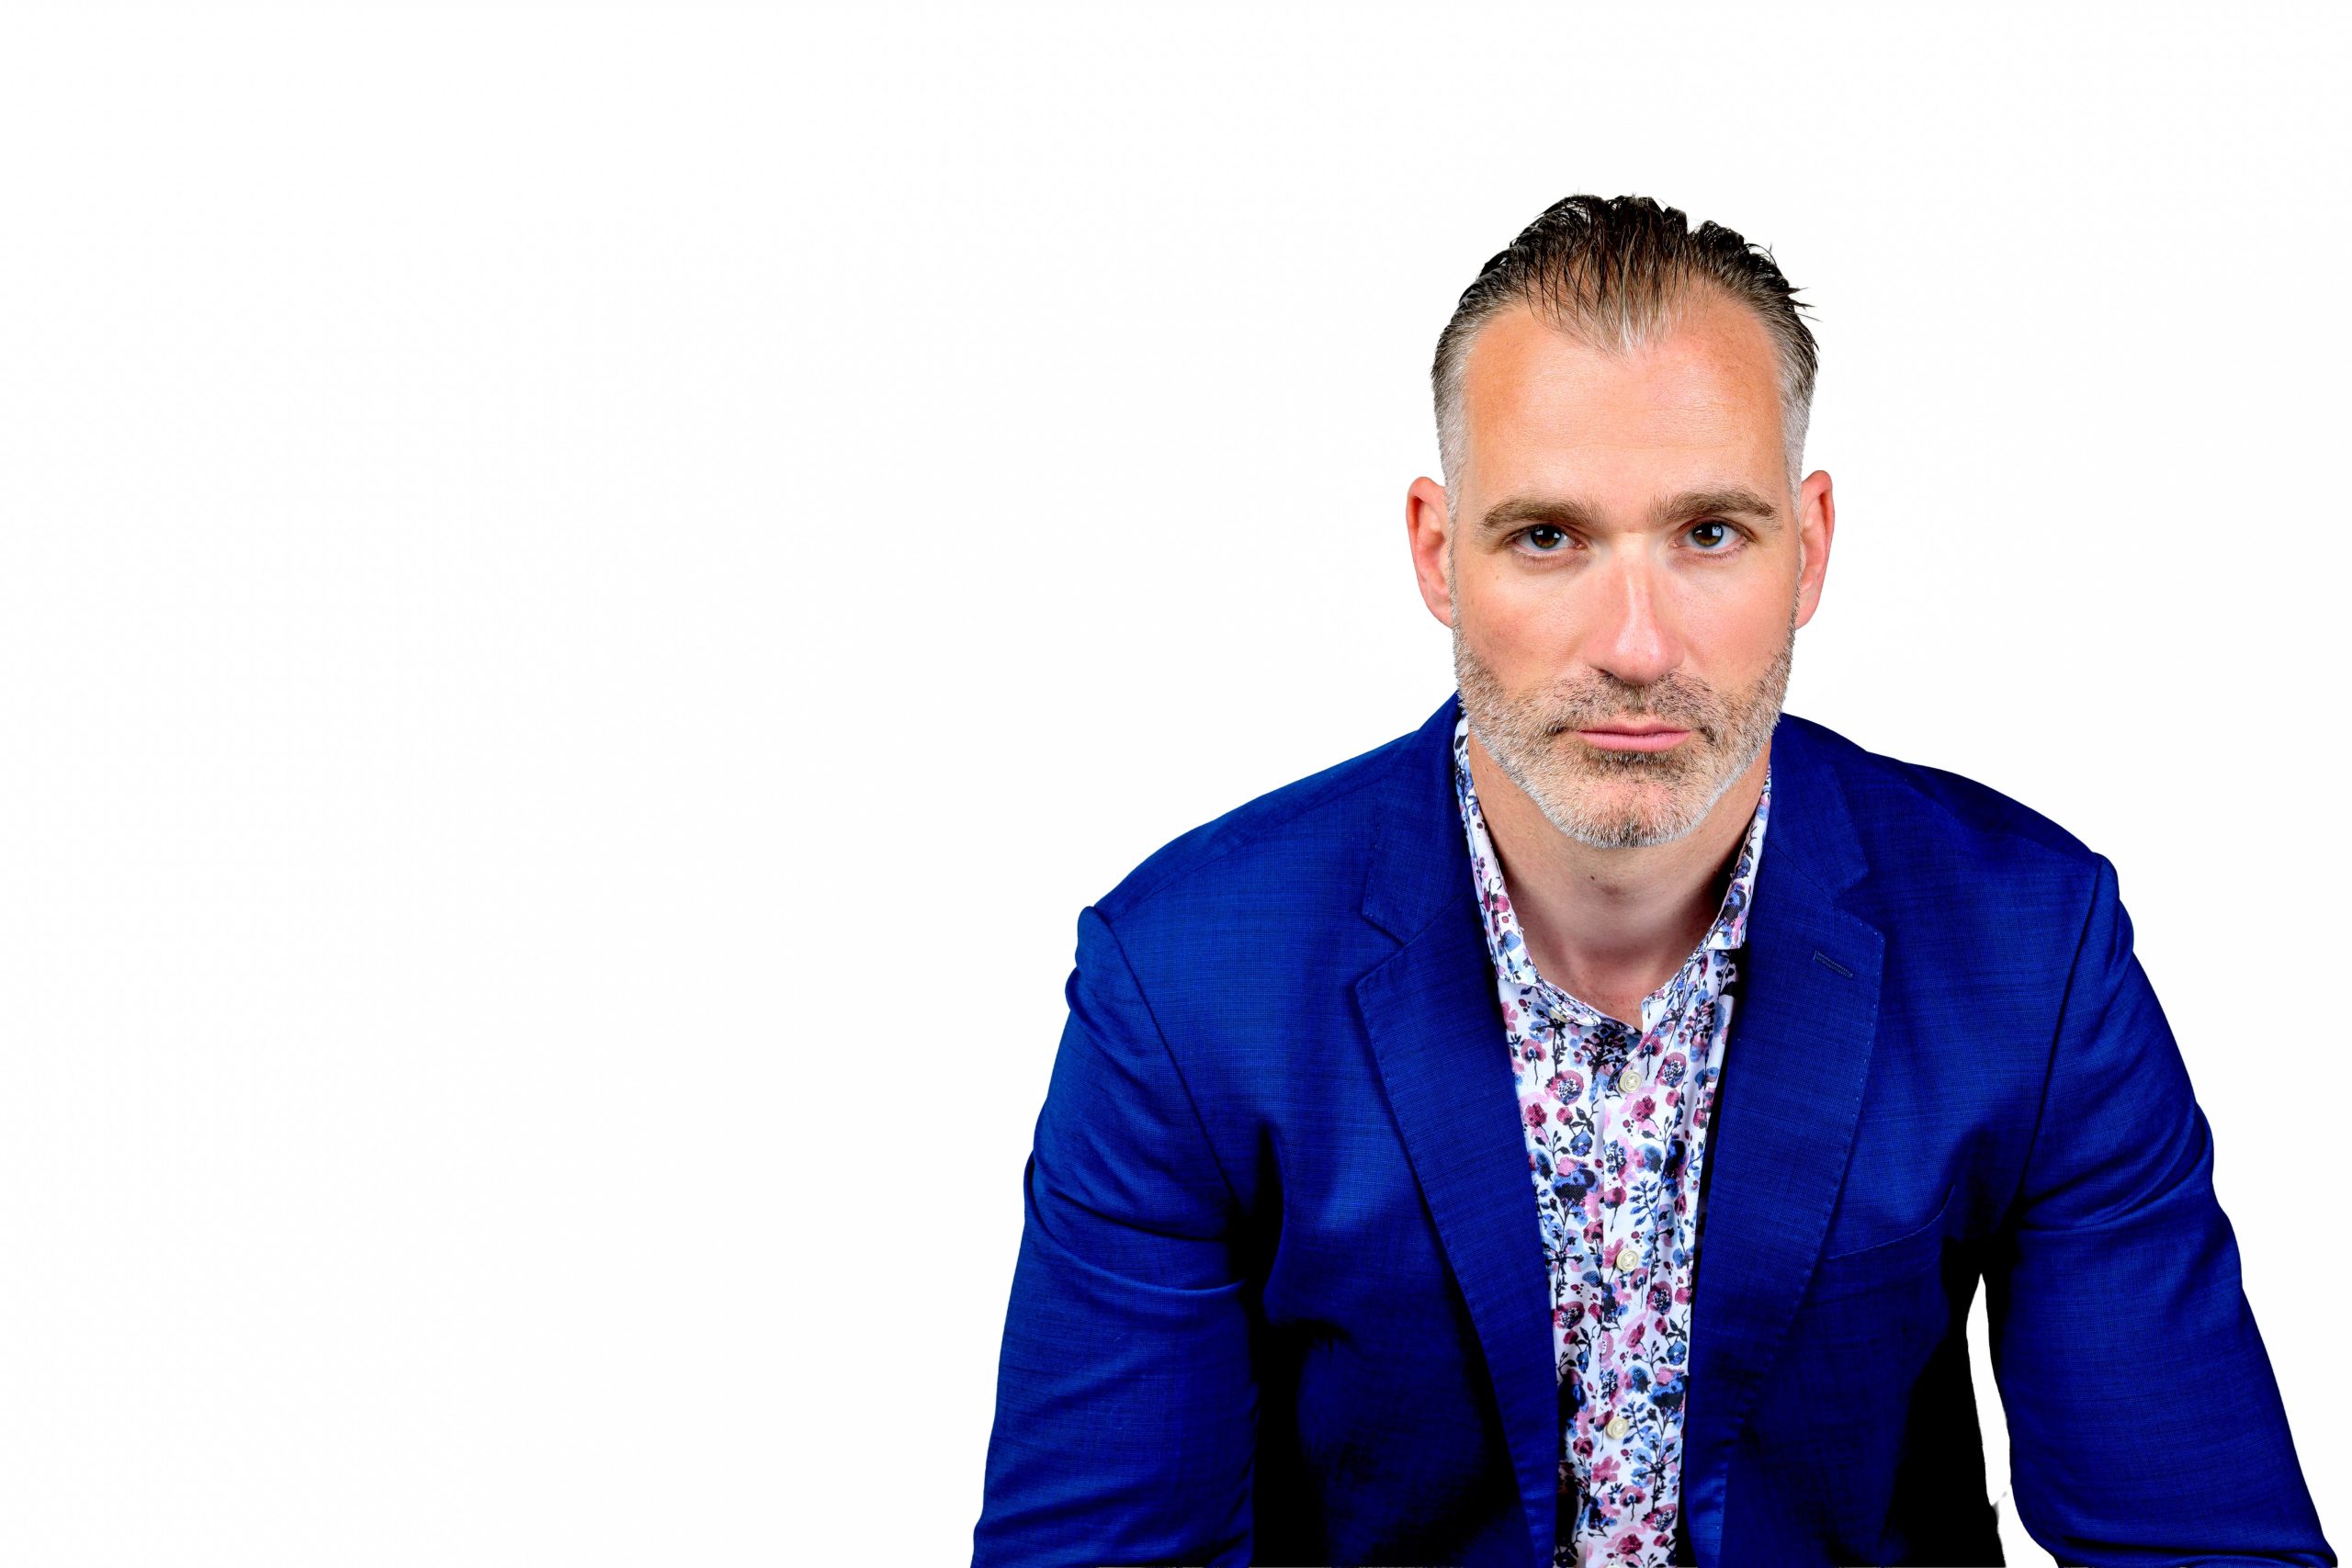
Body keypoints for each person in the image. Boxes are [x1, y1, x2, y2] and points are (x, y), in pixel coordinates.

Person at [969, 194, 2335, 1566]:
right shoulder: (1189, 985)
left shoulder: (2028, 950)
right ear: (1439, 553)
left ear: (1811, 544)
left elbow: (2205, 1544)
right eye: (1548, 537)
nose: (1634, 646)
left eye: (1711, 534)